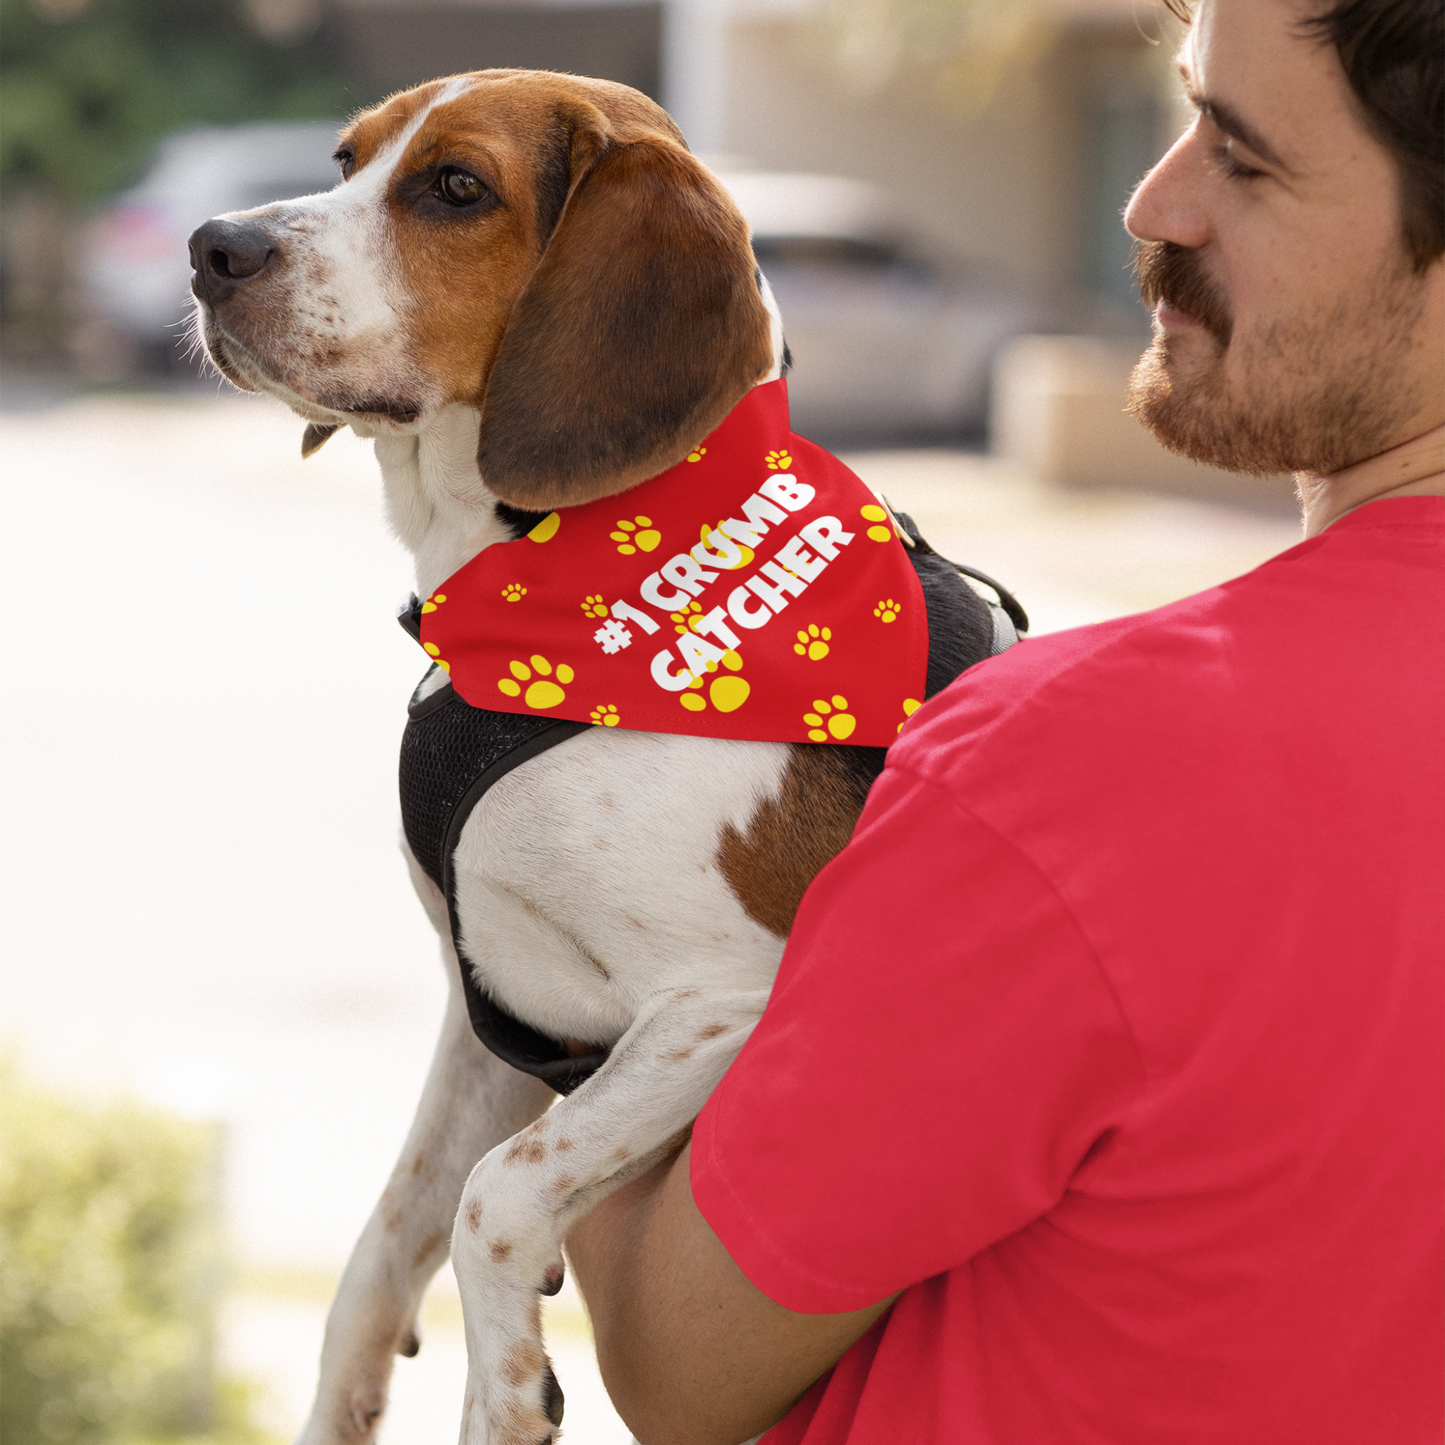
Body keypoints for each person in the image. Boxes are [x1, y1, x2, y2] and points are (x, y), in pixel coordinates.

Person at [564, 0, 1445, 1440]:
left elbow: (675, 1361)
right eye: (1185, 113)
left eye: (1243, 156)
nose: (1153, 202)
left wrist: (551, 908)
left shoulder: (1091, 765)